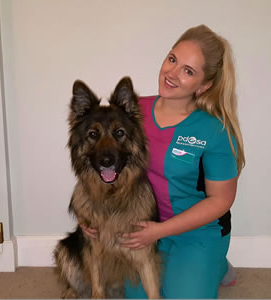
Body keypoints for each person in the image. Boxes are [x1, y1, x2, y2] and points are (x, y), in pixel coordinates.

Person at [82, 24, 245, 299]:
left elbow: (220, 201)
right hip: (140, 225)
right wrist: (93, 216)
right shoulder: (132, 112)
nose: (172, 73)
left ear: (204, 85)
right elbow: (101, 162)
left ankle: (214, 265)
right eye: (172, 59)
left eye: (188, 71)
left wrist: (161, 230)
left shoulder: (214, 131)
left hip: (197, 230)